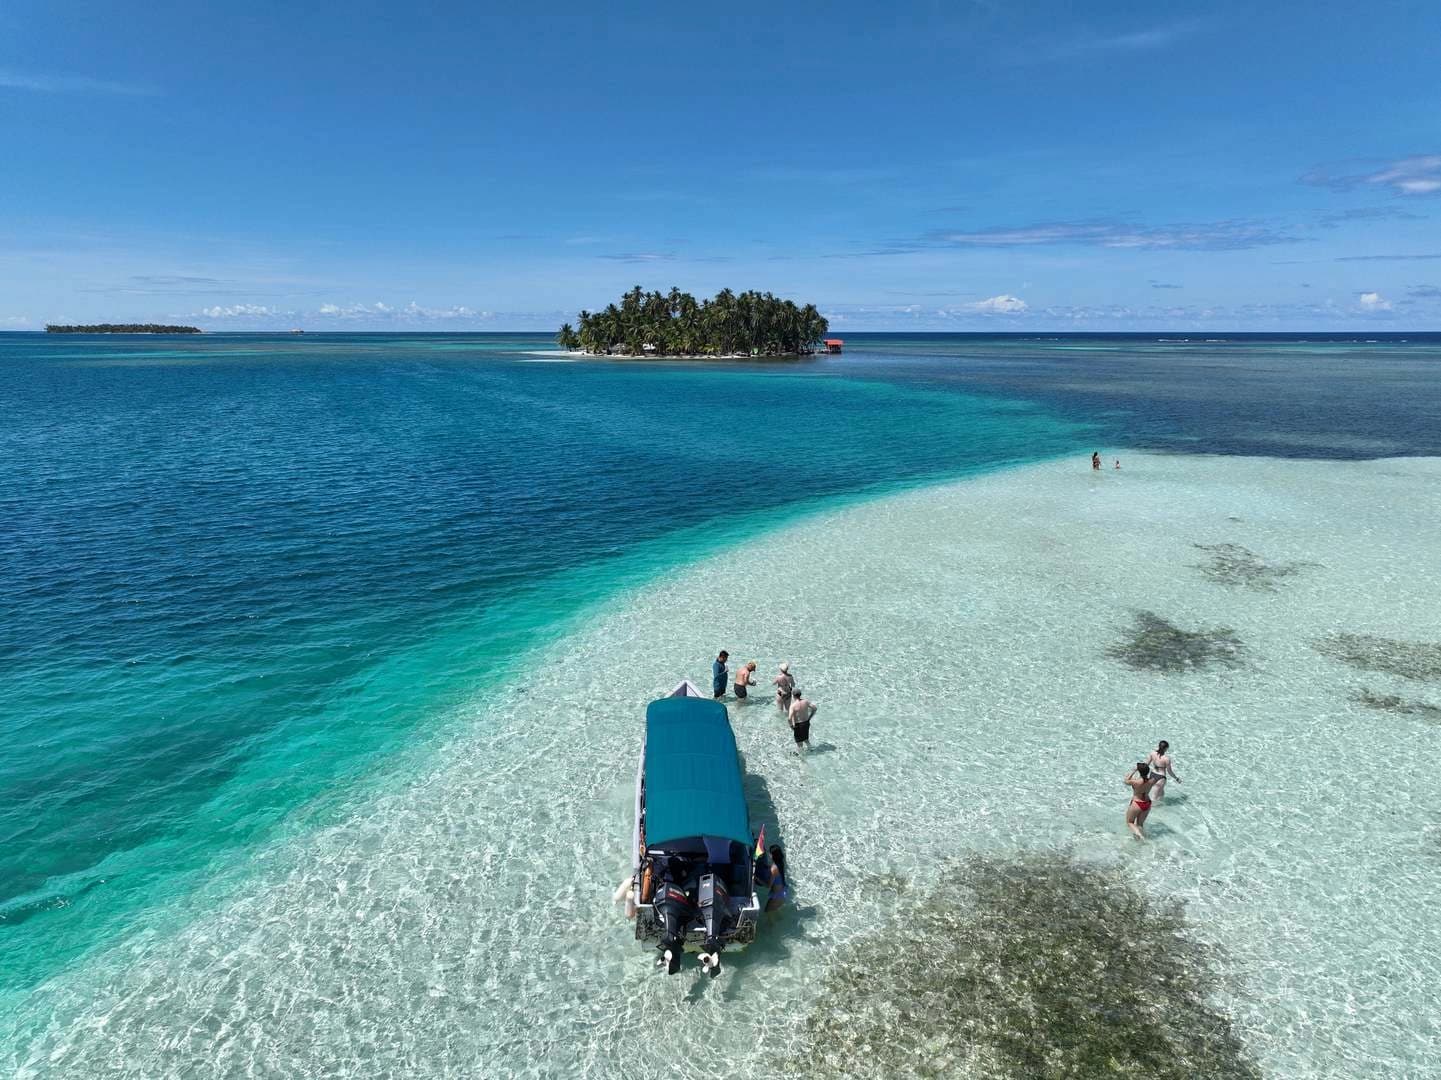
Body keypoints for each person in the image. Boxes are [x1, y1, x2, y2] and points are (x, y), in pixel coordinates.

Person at [1124, 762, 1159, 839]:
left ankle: (1140, 836)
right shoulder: (1151, 781)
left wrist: (1133, 771)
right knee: (1140, 824)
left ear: (1139, 771)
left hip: (1137, 803)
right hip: (1147, 803)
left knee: (1130, 822)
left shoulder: (1135, 782)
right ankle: (1141, 838)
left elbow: (1126, 781)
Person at [764, 845, 789, 912]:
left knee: (767, 913)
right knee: (772, 912)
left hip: (777, 896)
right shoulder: (781, 862)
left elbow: (768, 885)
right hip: (782, 892)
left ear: (772, 855)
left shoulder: (773, 868)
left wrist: (756, 878)